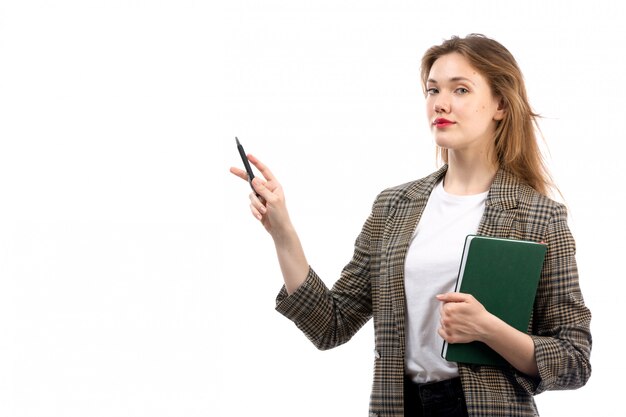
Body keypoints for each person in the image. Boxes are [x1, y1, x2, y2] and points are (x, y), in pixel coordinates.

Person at [230, 34, 591, 417]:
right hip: (401, 407)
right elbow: (330, 325)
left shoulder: (538, 216)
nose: (441, 103)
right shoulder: (393, 207)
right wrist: (282, 230)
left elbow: (575, 359)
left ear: (500, 104)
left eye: (461, 89)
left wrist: (488, 328)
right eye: (432, 89)